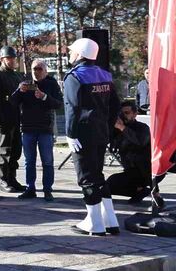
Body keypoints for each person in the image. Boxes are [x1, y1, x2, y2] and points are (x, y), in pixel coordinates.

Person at [64, 37, 121, 236]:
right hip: (101, 133)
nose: (70, 54)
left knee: (87, 178)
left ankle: (95, 224)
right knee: (98, 175)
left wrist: (70, 134)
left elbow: (73, 108)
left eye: (72, 51)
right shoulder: (105, 75)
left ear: (80, 54)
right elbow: (115, 106)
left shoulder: (75, 77)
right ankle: (110, 221)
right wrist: (107, 127)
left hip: (83, 134)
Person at [9, 59, 63, 201]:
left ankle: (47, 189)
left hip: (45, 129)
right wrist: (19, 90)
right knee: (29, 161)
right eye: (34, 69)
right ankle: (30, 188)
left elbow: (59, 104)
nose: (36, 71)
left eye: (39, 69)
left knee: (47, 161)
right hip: (28, 128)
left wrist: (44, 97)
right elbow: (12, 102)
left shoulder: (51, 84)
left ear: (45, 70)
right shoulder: (26, 84)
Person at [0, 46, 25, 193]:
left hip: (16, 117)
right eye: (8, 58)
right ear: (2, 59)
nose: (11, 60)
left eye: (13, 58)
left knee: (16, 149)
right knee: (5, 150)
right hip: (5, 119)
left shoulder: (16, 76)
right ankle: (4, 180)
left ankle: (12, 177)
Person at [107, 101, 151, 204]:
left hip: (145, 171)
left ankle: (143, 188)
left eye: (127, 113)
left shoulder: (142, 127)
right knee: (109, 185)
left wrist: (122, 128)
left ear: (135, 114)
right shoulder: (117, 129)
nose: (124, 116)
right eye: (121, 113)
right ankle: (139, 191)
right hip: (130, 171)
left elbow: (140, 141)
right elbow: (107, 140)